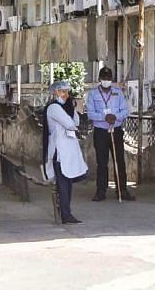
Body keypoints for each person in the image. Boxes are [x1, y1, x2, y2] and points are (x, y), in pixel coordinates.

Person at [85, 66, 134, 202]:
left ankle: (122, 190)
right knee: (102, 162)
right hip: (101, 131)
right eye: (104, 78)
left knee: (119, 161)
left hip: (116, 130)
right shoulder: (93, 94)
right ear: (100, 79)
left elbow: (125, 111)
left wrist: (115, 116)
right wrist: (104, 117)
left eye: (108, 78)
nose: (106, 80)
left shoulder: (118, 93)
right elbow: (90, 113)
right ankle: (101, 191)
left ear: (111, 79)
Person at [42, 81, 88, 225]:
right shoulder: (54, 108)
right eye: (63, 92)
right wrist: (70, 113)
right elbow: (69, 124)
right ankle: (65, 214)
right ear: (56, 93)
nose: (66, 95)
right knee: (63, 184)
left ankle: (67, 212)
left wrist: (72, 109)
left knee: (68, 183)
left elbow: (76, 122)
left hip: (69, 150)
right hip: (59, 151)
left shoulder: (65, 107)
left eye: (67, 92)